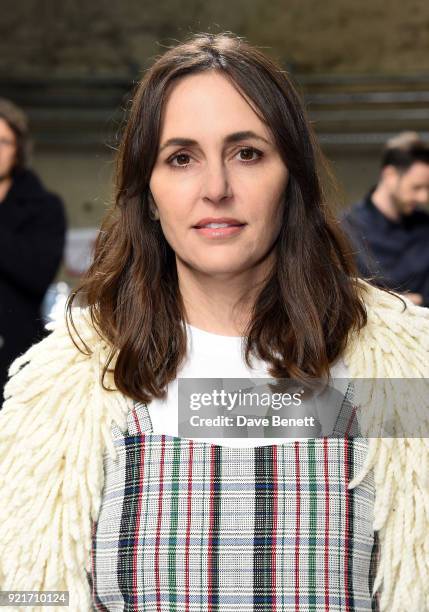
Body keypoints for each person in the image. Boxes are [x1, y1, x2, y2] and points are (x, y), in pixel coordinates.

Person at [1, 33, 428, 612]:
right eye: (181, 158)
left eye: (247, 153)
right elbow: (26, 595)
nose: (216, 189)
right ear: (147, 192)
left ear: (292, 177)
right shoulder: (58, 388)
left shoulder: (405, 371)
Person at [0, 98, 67, 400]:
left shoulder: (44, 207)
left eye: (3, 142)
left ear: (18, 150)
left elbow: (38, 273)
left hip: (13, 351)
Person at [340, 132, 429, 307]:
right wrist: (408, 301)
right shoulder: (346, 228)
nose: (424, 197)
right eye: (416, 187)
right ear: (390, 175)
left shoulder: (426, 229)